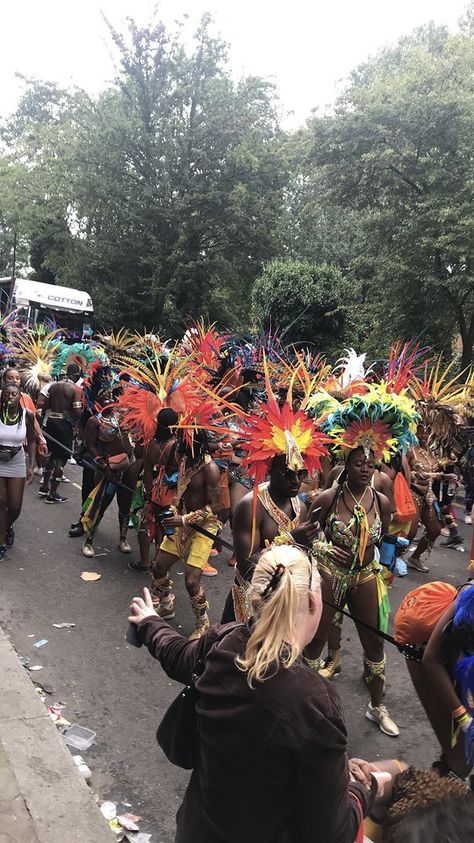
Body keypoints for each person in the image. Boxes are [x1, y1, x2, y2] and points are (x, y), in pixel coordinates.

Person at [129, 545, 390, 843]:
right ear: (314, 602)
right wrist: (363, 788)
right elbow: (333, 833)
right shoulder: (316, 703)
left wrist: (149, 622)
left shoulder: (222, 641)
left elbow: (177, 655)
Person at [395, 581, 474, 779]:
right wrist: (463, 718)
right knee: (459, 761)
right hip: (429, 659)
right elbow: (431, 659)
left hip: (462, 669)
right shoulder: (470, 596)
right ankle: (412, 804)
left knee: (460, 754)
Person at [149, 427, 222, 639]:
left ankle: (202, 623)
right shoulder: (184, 460)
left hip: (204, 527)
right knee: (158, 566)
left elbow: (217, 507)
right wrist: (172, 511)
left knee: (191, 581)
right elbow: (181, 492)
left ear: (196, 444)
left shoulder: (210, 469)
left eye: (184, 440)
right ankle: (165, 604)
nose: (179, 443)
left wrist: (183, 519)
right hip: (181, 521)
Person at [81, 401, 137, 557]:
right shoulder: (95, 421)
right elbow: (90, 445)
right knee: (100, 504)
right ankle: (88, 541)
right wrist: (103, 463)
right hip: (108, 468)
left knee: (125, 506)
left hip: (128, 466)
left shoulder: (130, 417)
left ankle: (123, 539)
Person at [131, 407, 179, 574]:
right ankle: (158, 563)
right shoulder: (175, 446)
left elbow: (147, 472)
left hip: (152, 489)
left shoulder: (150, 443)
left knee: (146, 522)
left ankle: (144, 562)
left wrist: (148, 494)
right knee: (164, 528)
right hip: (170, 493)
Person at [0, 383, 35, 559]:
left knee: (14, 506)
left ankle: (6, 526)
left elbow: (32, 440)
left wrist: (32, 465)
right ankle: (0, 543)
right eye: (7, 394)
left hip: (17, 461)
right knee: (1, 501)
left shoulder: (27, 415)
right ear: (2, 396)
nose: (10, 397)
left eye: (14, 394)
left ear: (19, 396)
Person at [39, 363, 83, 503]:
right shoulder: (75, 389)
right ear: (76, 375)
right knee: (62, 457)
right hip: (64, 424)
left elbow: (45, 406)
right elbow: (77, 412)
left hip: (51, 421)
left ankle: (44, 487)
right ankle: (53, 494)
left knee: (51, 454)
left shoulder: (53, 386)